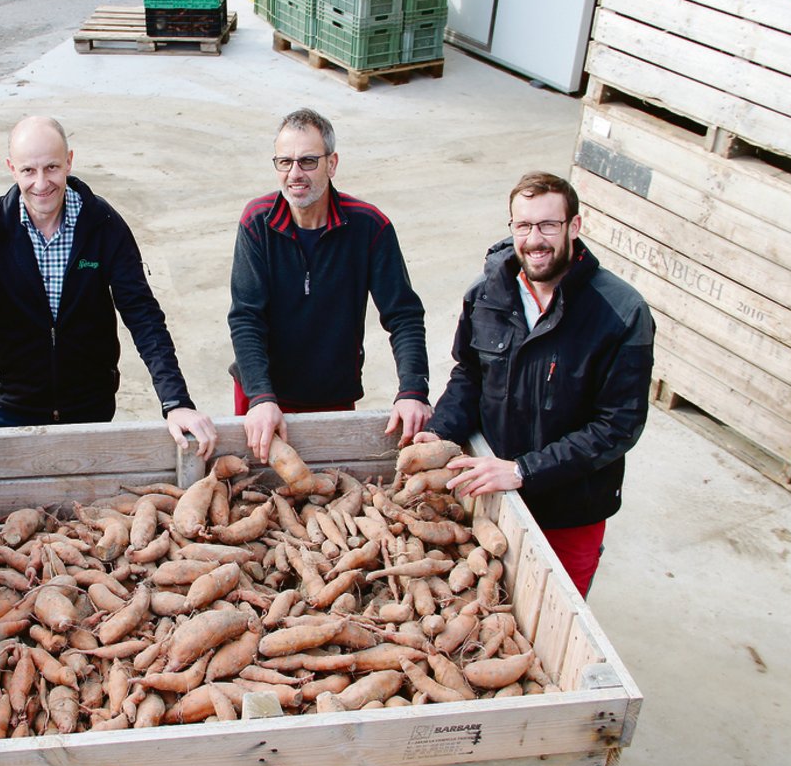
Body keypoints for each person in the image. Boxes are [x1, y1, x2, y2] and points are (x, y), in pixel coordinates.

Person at [0, 115, 216, 464]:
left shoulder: (104, 226)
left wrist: (176, 403)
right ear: (11, 169)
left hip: (90, 409)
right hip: (13, 410)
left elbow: (143, 316)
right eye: (28, 171)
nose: (41, 183)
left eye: (52, 167)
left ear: (69, 161)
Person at [415, 172, 655, 597]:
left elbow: (618, 426)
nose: (534, 239)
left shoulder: (621, 312)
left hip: (571, 508)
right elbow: (470, 374)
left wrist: (525, 470)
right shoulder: (486, 295)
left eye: (548, 225)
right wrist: (439, 433)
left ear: (574, 228)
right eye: (523, 226)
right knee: (492, 601)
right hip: (492, 493)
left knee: (555, 607)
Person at [228, 107, 431, 461]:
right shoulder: (256, 222)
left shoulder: (370, 227)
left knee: (332, 489)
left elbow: (404, 316)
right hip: (263, 395)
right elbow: (246, 317)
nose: (294, 174)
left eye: (308, 161)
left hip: (332, 397)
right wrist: (261, 397)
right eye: (284, 162)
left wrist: (413, 389)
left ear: (332, 164)